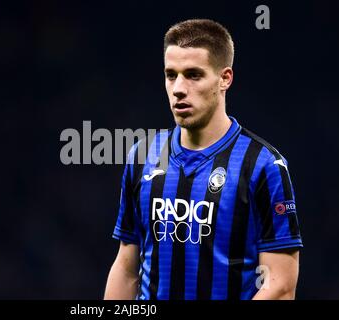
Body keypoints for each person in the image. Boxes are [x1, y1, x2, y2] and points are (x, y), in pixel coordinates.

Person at [104, 19, 302, 300]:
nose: (178, 88)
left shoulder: (263, 165)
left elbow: (280, 285)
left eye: (193, 75)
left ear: (225, 79)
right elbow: (127, 267)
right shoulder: (143, 155)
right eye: (171, 75)